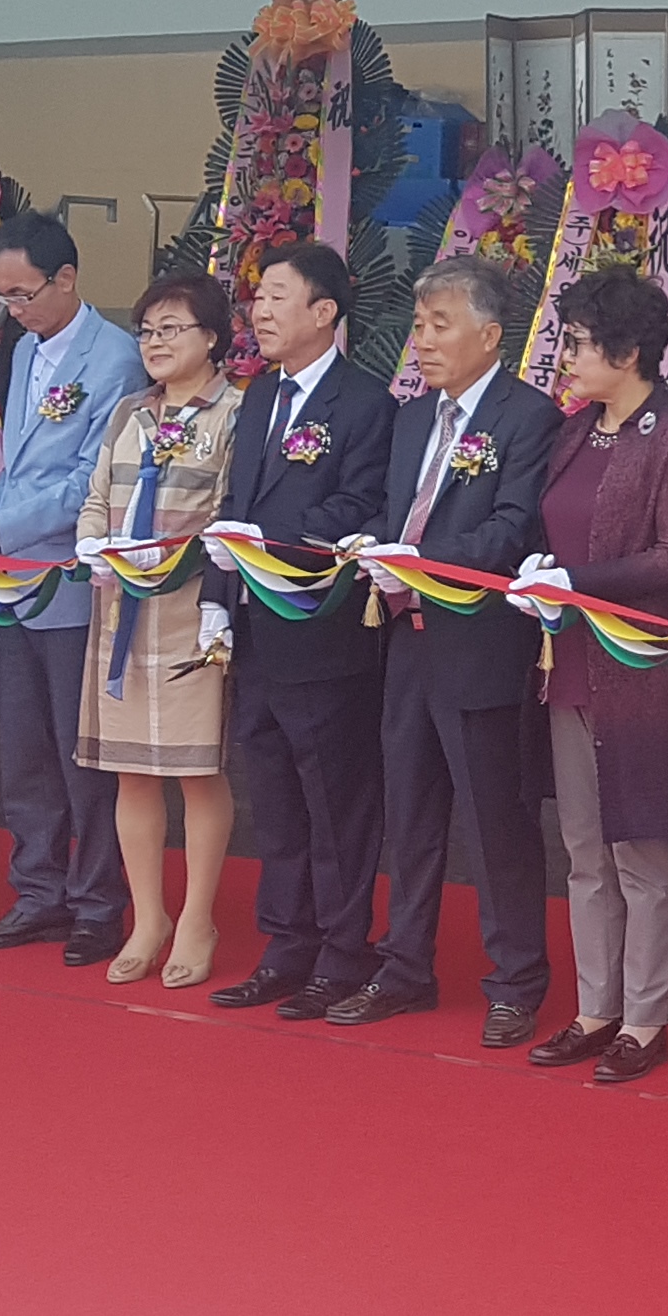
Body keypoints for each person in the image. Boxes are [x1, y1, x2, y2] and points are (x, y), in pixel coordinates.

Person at [336, 252, 563, 1045]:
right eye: (418, 325)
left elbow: (511, 530)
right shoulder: (411, 418)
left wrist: (420, 561)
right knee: (410, 813)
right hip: (408, 642)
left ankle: (515, 983)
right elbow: (395, 513)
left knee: (497, 821)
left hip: (481, 644)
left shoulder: (527, 417)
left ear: (489, 335)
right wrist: (372, 546)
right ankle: (404, 967)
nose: (422, 341)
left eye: (440, 325)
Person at [513, 267, 668, 1085]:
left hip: (638, 669)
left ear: (628, 352)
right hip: (567, 661)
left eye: (578, 344)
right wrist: (544, 572)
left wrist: (577, 584)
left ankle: (645, 1016)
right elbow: (556, 526)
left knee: (642, 848)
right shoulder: (577, 430)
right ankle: (595, 1007)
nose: (566, 358)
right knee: (583, 848)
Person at [202, 243, 399, 1018]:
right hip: (256, 634)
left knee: (335, 803)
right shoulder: (258, 396)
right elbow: (234, 503)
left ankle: (343, 953)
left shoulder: (366, 402)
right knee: (276, 801)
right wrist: (219, 595)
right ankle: (287, 945)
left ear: (325, 311)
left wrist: (268, 543)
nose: (260, 310)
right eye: (258, 296)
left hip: (324, 636)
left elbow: (360, 508)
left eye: (277, 296)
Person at [0, 212, 146, 964]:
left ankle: (97, 902)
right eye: (0, 296)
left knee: (79, 754)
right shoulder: (24, 349)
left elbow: (90, 479)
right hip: (12, 580)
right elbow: (16, 457)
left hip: (69, 577)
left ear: (67, 278)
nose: (11, 310)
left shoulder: (115, 358)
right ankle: (38, 891)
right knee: (22, 749)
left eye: (23, 294)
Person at [73, 271, 250, 987]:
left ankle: (198, 918)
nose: (155, 342)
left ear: (212, 337)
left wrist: (174, 557)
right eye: (147, 330)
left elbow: (230, 511)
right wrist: (92, 543)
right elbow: (97, 496)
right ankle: (149, 917)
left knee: (196, 771)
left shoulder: (235, 412)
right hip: (120, 612)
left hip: (190, 613)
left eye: (172, 329)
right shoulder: (130, 412)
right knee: (131, 774)